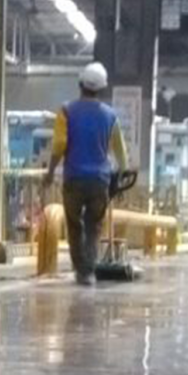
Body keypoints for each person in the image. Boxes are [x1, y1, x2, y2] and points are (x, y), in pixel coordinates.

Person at [43, 61, 129, 286]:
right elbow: (122, 154)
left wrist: (50, 172)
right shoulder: (111, 116)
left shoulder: (66, 111)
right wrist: (121, 178)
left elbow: (59, 145)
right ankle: (88, 271)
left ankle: (80, 270)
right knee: (94, 226)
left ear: (80, 83)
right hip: (100, 181)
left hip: (73, 178)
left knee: (74, 224)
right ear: (102, 88)